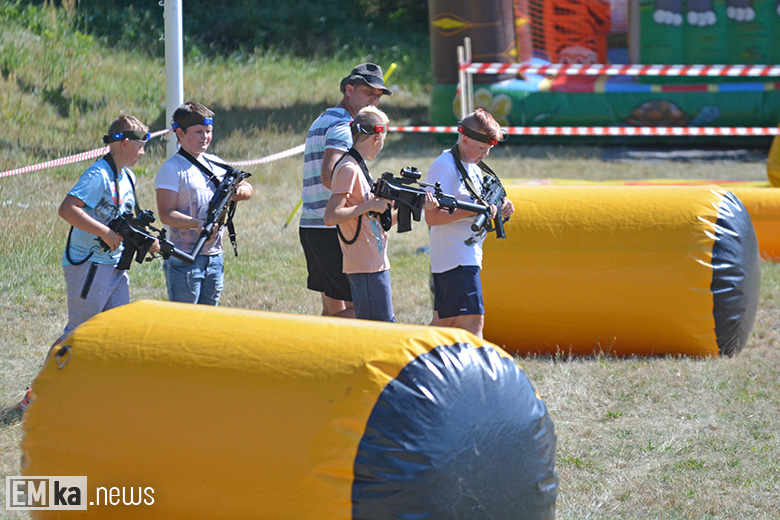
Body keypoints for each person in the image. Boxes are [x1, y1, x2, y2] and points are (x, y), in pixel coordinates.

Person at [21, 114, 157, 411]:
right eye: (140, 144)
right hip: (89, 265)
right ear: (122, 144)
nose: (143, 151)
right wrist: (104, 232)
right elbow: (67, 209)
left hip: (114, 265)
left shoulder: (128, 176)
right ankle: (38, 392)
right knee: (79, 332)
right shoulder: (98, 175)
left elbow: (125, 220)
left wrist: (149, 242)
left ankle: (99, 392)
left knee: (118, 330)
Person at [323, 107, 436, 322]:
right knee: (382, 326)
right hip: (364, 264)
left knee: (381, 324)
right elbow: (331, 216)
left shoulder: (359, 167)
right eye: (384, 138)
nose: (383, 144)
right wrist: (369, 206)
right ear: (376, 138)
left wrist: (415, 206)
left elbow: (374, 221)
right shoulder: (349, 168)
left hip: (373, 260)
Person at [299, 63, 392, 318]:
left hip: (313, 225)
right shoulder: (345, 126)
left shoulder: (325, 118)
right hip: (336, 229)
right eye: (368, 92)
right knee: (360, 312)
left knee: (334, 309)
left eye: (378, 95)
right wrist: (368, 200)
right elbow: (330, 176)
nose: (374, 100)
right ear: (349, 90)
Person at [424, 108, 515, 338]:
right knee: (474, 320)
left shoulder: (472, 166)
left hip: (467, 255)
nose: (486, 154)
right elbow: (432, 217)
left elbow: (480, 204)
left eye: (489, 149)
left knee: (446, 322)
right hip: (454, 257)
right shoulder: (444, 165)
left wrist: (503, 208)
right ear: (465, 140)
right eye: (482, 148)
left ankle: (407, 359)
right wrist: (471, 209)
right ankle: (474, 372)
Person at [155, 101, 253, 306]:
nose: (205, 136)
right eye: (198, 131)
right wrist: (197, 223)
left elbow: (248, 189)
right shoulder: (172, 168)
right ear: (180, 134)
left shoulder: (215, 162)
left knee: (207, 322)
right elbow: (166, 214)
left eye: (208, 131)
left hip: (215, 256)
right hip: (184, 257)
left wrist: (236, 192)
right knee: (184, 322)